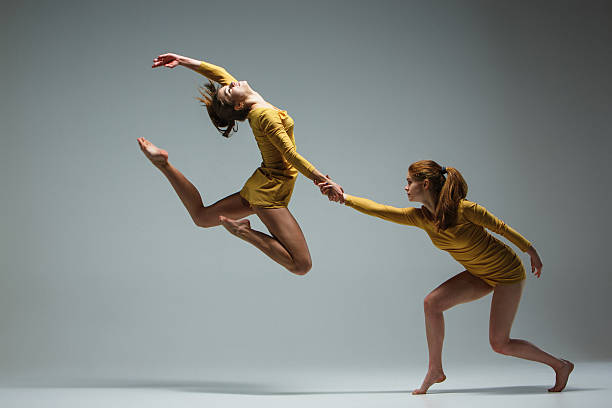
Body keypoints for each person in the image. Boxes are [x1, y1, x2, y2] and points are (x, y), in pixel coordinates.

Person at [317, 160, 573, 393]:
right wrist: (344, 197)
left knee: (500, 343)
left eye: (409, 182)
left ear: (425, 184)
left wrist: (532, 252)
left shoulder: (465, 210)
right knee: (432, 303)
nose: (405, 187)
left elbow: (502, 228)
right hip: (479, 274)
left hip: (507, 273)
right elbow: (379, 210)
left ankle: (560, 365)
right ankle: (435, 370)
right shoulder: (420, 217)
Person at [138, 52, 343, 275]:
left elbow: (220, 73)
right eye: (229, 89)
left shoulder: (250, 101)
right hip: (269, 192)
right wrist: (322, 180)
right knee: (302, 265)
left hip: (263, 182)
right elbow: (291, 155)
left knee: (201, 217)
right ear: (237, 105)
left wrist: (183, 61)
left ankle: (163, 165)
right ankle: (245, 232)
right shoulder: (264, 116)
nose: (231, 83)